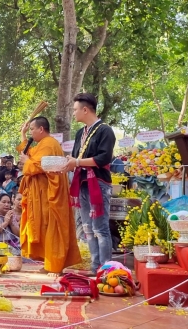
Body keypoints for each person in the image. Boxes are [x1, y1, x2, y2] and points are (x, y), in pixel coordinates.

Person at [17, 116, 81, 274]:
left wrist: (26, 162)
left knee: (50, 227)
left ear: (41, 129)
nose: (31, 131)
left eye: (32, 129)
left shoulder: (48, 144)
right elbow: (31, 155)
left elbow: (38, 165)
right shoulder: (45, 144)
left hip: (47, 195)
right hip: (43, 193)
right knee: (46, 227)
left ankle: (53, 265)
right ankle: (50, 263)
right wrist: (23, 135)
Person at [63, 94, 114, 273]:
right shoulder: (80, 133)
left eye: (75, 109)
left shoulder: (105, 130)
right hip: (82, 182)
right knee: (88, 228)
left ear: (85, 110)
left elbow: (103, 158)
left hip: (98, 183)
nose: (74, 113)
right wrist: (68, 163)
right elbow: (77, 157)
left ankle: (106, 269)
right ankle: (95, 267)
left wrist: (76, 162)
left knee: (100, 228)